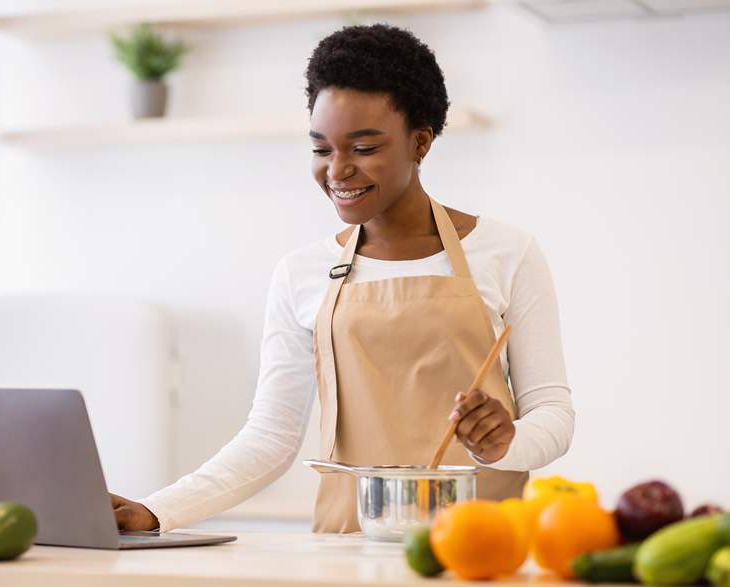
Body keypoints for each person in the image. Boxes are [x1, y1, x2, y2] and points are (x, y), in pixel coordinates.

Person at [111, 23, 574, 533]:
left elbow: (553, 415)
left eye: (364, 147)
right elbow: (271, 437)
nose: (338, 170)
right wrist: (159, 511)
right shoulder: (300, 273)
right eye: (321, 149)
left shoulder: (506, 253)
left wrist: (506, 441)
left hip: (479, 552)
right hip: (352, 551)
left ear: (420, 142)